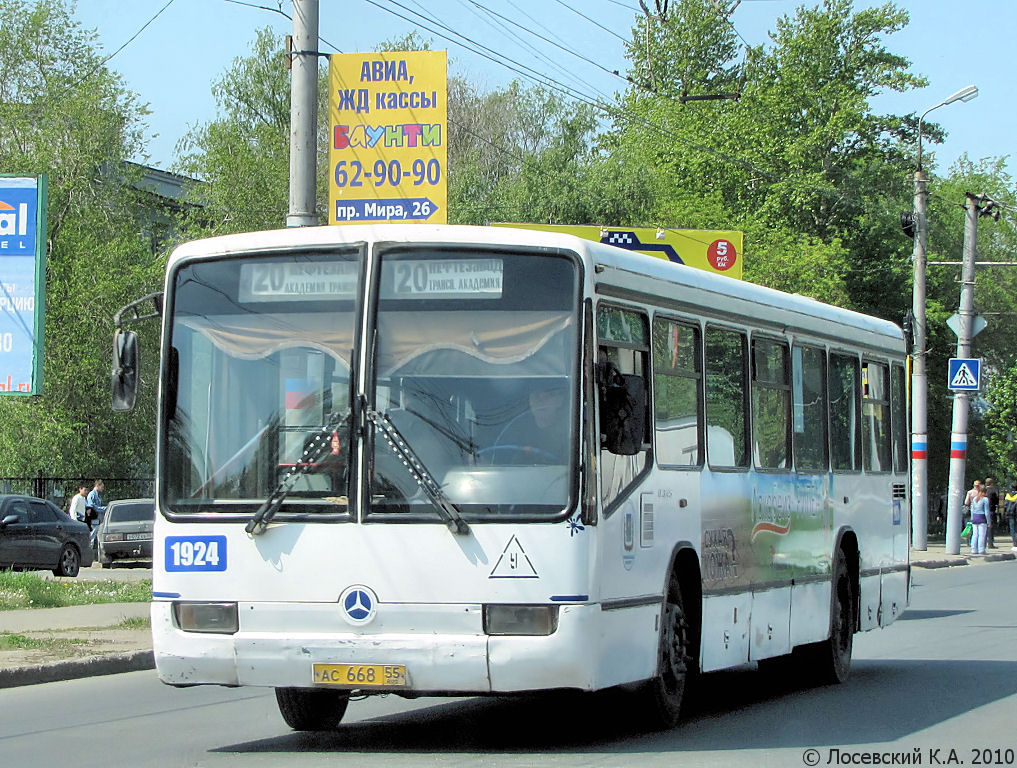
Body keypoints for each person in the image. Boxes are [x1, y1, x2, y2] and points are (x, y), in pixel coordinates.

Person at [969, 487, 989, 555]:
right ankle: (981, 549)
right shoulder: (985, 499)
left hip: (975, 517)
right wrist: (988, 521)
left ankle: (973, 549)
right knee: (982, 535)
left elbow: (972, 509)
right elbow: (986, 512)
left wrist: (972, 518)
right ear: (985, 492)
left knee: (975, 534)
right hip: (982, 518)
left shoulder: (975, 498)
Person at [985, 477, 1000, 548]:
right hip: (991, 510)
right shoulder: (992, 491)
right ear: (991, 483)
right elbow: (996, 501)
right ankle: (990, 543)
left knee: (982, 527)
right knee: (990, 527)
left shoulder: (983, 491)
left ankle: (982, 543)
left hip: (982, 511)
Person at [1004, 482, 1017, 551]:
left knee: (1012, 529)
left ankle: (1015, 543)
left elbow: (1005, 505)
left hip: (1010, 514)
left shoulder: (1008, 495)